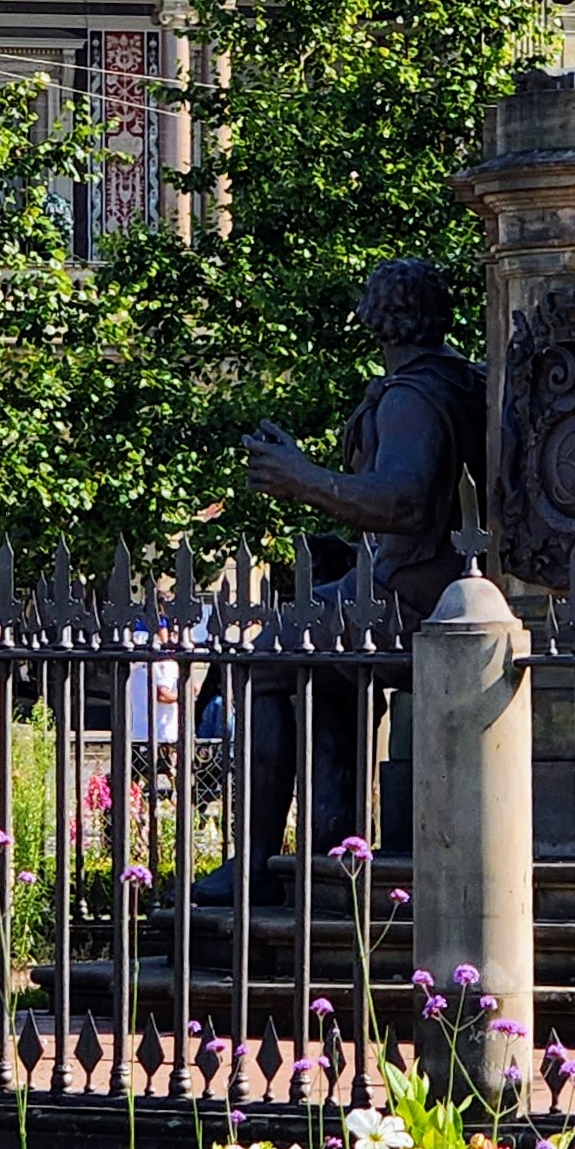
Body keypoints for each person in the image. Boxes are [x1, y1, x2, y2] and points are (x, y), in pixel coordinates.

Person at [210, 259, 488, 892]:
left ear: (375, 318)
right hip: (440, 591)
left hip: (414, 602)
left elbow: (405, 501)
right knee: (322, 664)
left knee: (264, 660)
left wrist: (301, 479)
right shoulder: (462, 380)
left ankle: (254, 865)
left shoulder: (412, 396)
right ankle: (334, 849)